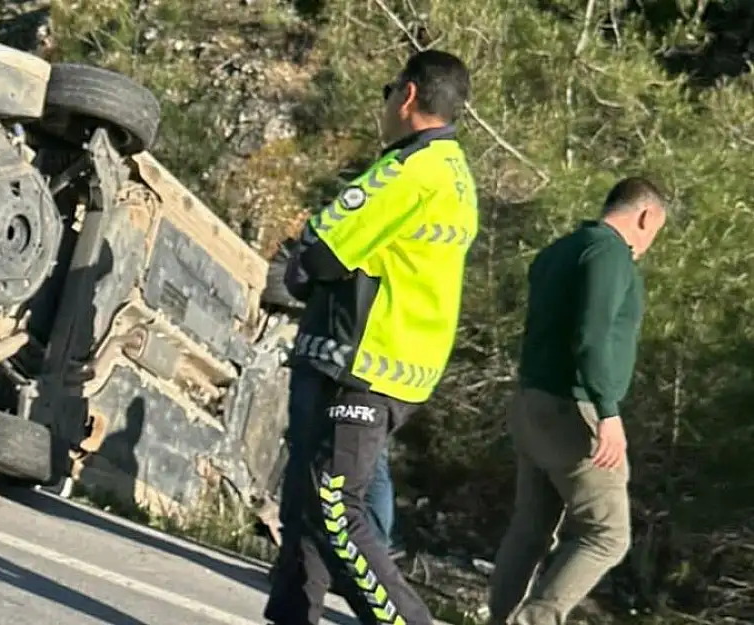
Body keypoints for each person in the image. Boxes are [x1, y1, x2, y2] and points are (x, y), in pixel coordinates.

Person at [264, 48, 479, 625]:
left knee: (334, 508)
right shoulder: (455, 171)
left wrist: (300, 265)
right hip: (401, 363)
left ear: (407, 95)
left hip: (362, 359)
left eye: (388, 91)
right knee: (312, 503)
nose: (383, 103)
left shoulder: (410, 168)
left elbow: (323, 246)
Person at [485, 177, 668, 625]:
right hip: (575, 408)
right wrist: (608, 411)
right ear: (644, 216)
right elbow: (593, 336)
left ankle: (499, 619)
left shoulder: (558, 251)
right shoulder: (609, 253)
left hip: (532, 402)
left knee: (531, 528)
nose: (646, 246)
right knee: (607, 534)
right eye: (653, 232)